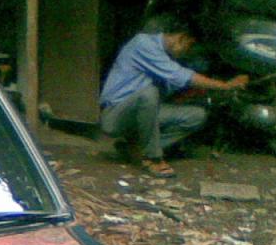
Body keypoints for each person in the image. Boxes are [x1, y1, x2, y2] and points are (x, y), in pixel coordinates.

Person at [99, 22, 248, 177]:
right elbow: (182, 75)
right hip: (115, 115)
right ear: (182, 38)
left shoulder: (167, 57)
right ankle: (153, 158)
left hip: (142, 113)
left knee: (196, 115)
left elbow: (182, 85)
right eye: (188, 47)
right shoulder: (143, 43)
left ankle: (133, 149)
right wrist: (225, 85)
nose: (187, 52)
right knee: (148, 94)